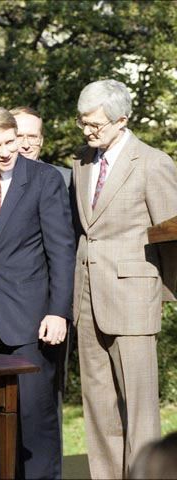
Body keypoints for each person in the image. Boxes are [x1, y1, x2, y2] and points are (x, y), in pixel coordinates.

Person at [71, 79, 177, 478]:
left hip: (134, 298)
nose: (87, 132)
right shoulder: (80, 161)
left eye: (94, 125)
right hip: (86, 296)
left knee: (140, 408)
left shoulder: (153, 162)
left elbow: (173, 235)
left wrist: (162, 295)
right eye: (83, 123)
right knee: (98, 407)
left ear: (122, 119)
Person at [0, 106, 75, 479]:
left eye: (11, 141)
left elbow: (61, 251)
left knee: (35, 422)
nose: (7, 151)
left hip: (32, 322)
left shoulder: (44, 179)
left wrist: (58, 312)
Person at [9, 106, 71, 188]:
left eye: (32, 137)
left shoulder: (66, 179)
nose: (26, 145)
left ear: (41, 141)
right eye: (18, 137)